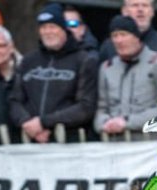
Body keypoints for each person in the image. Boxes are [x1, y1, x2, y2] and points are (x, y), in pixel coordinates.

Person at [9, 3, 98, 143]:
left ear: (63, 29)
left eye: (52, 27)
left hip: (69, 142)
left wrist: (44, 122)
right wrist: (27, 123)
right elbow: (14, 100)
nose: (48, 32)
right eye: (43, 27)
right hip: (29, 140)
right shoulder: (28, 61)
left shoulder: (84, 60)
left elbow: (86, 107)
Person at [93, 15, 157, 140]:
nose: (119, 40)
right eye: (114, 36)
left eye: (123, 34)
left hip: (151, 143)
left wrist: (127, 122)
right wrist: (104, 123)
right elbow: (101, 108)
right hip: (113, 144)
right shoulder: (107, 68)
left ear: (136, 37)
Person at [99, 0, 157, 65]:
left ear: (152, 11)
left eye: (145, 5)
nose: (140, 9)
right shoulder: (109, 47)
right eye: (135, 5)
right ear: (124, 11)